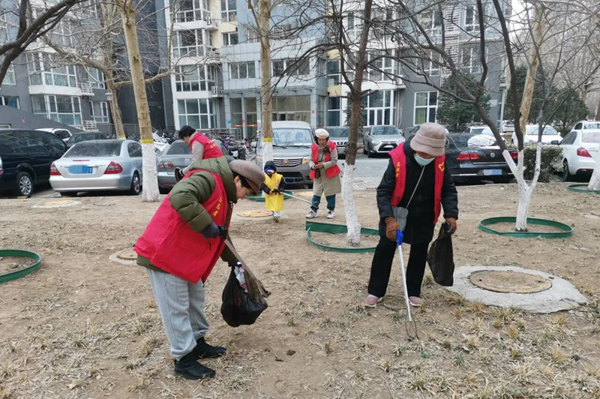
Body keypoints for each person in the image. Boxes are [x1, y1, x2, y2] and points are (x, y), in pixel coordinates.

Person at [134, 157, 265, 380]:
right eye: (248, 192)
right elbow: (180, 195)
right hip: (165, 254)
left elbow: (220, 232)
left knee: (195, 300)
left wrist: (232, 259)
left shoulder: (225, 195)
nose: (245, 198)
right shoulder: (207, 179)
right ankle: (183, 359)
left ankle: (197, 343)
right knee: (176, 308)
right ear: (237, 179)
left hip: (185, 257)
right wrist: (206, 225)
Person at [365, 123, 458, 308]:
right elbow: (383, 191)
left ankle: (413, 291)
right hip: (396, 214)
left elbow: (448, 188)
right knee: (384, 251)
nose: (426, 157)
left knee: (419, 252)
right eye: (423, 154)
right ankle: (375, 291)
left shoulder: (439, 162)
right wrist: (389, 219)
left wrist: (451, 214)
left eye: (431, 155)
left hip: (425, 213)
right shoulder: (398, 159)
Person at [305, 129, 342, 219]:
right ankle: (314, 210)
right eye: (320, 140)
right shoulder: (313, 147)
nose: (321, 142)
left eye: (323, 140)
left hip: (330, 174)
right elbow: (310, 159)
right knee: (316, 193)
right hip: (318, 174)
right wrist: (312, 166)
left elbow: (334, 161)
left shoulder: (332, 147)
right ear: (316, 139)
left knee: (330, 193)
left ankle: (331, 210)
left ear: (327, 139)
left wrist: (323, 165)